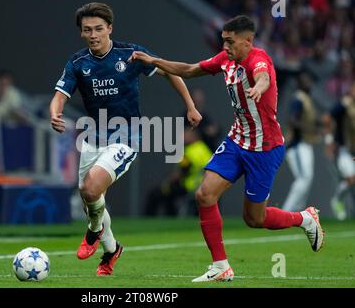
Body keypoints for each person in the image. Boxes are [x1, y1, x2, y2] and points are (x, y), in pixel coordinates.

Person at [129, 15, 324, 282]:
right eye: (223, 40)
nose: (225, 46)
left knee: (254, 219)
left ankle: (304, 218)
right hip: (236, 141)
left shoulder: (258, 59)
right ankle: (221, 266)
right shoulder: (225, 60)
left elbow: (264, 76)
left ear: (248, 41)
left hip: (264, 149)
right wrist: (154, 61)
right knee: (204, 195)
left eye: (230, 41)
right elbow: (188, 69)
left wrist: (259, 88)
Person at [50, 2, 202, 276]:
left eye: (98, 28)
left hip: (126, 137)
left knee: (90, 189)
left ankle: (94, 232)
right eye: (87, 30)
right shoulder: (77, 62)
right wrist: (55, 113)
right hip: (92, 138)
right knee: (91, 200)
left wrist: (190, 106)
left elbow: (170, 72)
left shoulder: (130, 54)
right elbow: (61, 94)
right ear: (82, 33)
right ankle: (111, 250)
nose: (93, 34)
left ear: (109, 28)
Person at [282, 72, 319, 212]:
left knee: (306, 178)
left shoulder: (306, 99)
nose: (308, 84)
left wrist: (319, 124)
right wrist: (310, 128)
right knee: (304, 177)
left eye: (309, 81)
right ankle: (287, 211)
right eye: (305, 81)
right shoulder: (298, 98)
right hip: (297, 144)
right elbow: (292, 120)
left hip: (305, 144)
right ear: (299, 84)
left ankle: (298, 213)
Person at [323, 81, 355, 220]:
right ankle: (337, 200)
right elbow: (327, 117)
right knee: (351, 179)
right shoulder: (344, 104)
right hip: (344, 148)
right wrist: (329, 140)